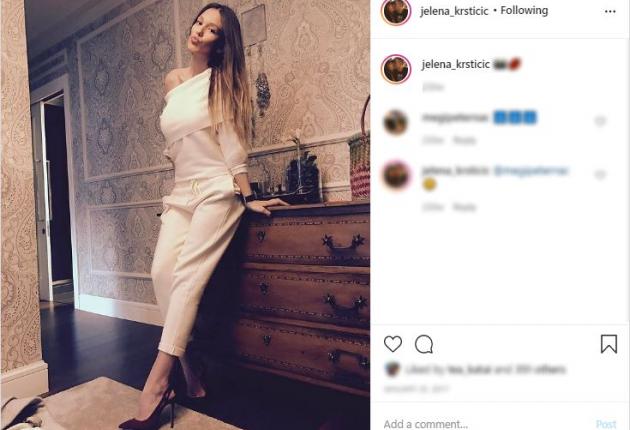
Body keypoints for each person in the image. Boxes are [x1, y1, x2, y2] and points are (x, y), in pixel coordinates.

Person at [119, 3, 288, 429]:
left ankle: (157, 384)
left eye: (211, 29)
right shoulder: (173, 81)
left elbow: (230, 145)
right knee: (162, 273)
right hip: (182, 192)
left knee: (188, 277)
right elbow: (178, 138)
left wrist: (248, 196)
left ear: (221, 43)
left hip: (217, 189)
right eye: (199, 22)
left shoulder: (222, 83)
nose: (198, 31)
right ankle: (190, 366)